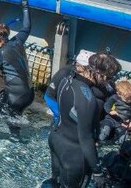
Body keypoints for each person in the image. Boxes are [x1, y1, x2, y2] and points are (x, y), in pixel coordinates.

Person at [47, 54, 110, 188]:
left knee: (55, 183)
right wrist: (97, 172)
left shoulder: (67, 79)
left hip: (56, 139)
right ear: (97, 73)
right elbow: (85, 139)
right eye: (108, 77)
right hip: (74, 153)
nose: (107, 82)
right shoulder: (87, 98)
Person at [0, 0, 34, 116]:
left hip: (17, 97)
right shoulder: (17, 41)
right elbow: (27, 28)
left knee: (10, 123)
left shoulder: (0, 54)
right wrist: (25, 7)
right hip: (29, 93)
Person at [44, 49, 94, 124]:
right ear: (78, 64)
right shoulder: (68, 72)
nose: (87, 70)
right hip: (51, 97)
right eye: (85, 67)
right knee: (60, 118)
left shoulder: (77, 71)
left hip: (58, 96)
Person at [99, 80, 131, 144]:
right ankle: (100, 140)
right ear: (118, 94)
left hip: (122, 123)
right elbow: (106, 105)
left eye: (130, 98)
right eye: (126, 98)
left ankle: (116, 141)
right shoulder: (115, 97)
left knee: (124, 138)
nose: (129, 100)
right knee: (105, 130)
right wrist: (110, 111)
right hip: (111, 119)